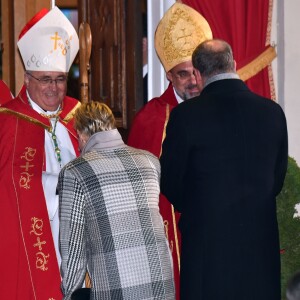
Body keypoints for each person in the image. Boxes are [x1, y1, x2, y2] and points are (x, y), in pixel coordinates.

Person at [160, 39, 288, 300]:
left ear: (198, 73)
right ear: (234, 64)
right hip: (259, 249)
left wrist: (200, 204)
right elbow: (276, 180)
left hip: (208, 249)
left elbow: (170, 181)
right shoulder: (272, 113)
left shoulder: (186, 116)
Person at [127, 3, 212, 298]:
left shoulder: (219, 109)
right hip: (170, 233)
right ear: (169, 76)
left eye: (197, 72)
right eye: (183, 74)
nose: (193, 82)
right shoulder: (150, 118)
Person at [57, 101, 175, 300]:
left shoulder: (75, 171)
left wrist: (69, 293)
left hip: (116, 288)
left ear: (81, 135)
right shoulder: (150, 161)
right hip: (161, 283)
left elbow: (73, 249)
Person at [0, 7, 80, 299]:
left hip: (78, 239)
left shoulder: (78, 116)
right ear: (27, 78)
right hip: (28, 240)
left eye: (59, 79)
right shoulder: (8, 121)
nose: (53, 89)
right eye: (45, 79)